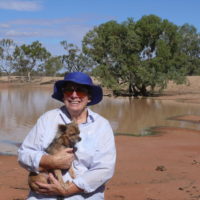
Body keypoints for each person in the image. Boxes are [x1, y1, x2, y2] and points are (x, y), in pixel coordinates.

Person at [18, 71, 116, 200]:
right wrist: (49, 161)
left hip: (83, 196)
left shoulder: (102, 126)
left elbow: (104, 169)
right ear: (63, 95)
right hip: (43, 195)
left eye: (80, 91)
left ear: (89, 97)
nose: (74, 95)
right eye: (69, 90)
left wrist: (67, 190)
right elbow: (24, 154)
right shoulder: (47, 119)